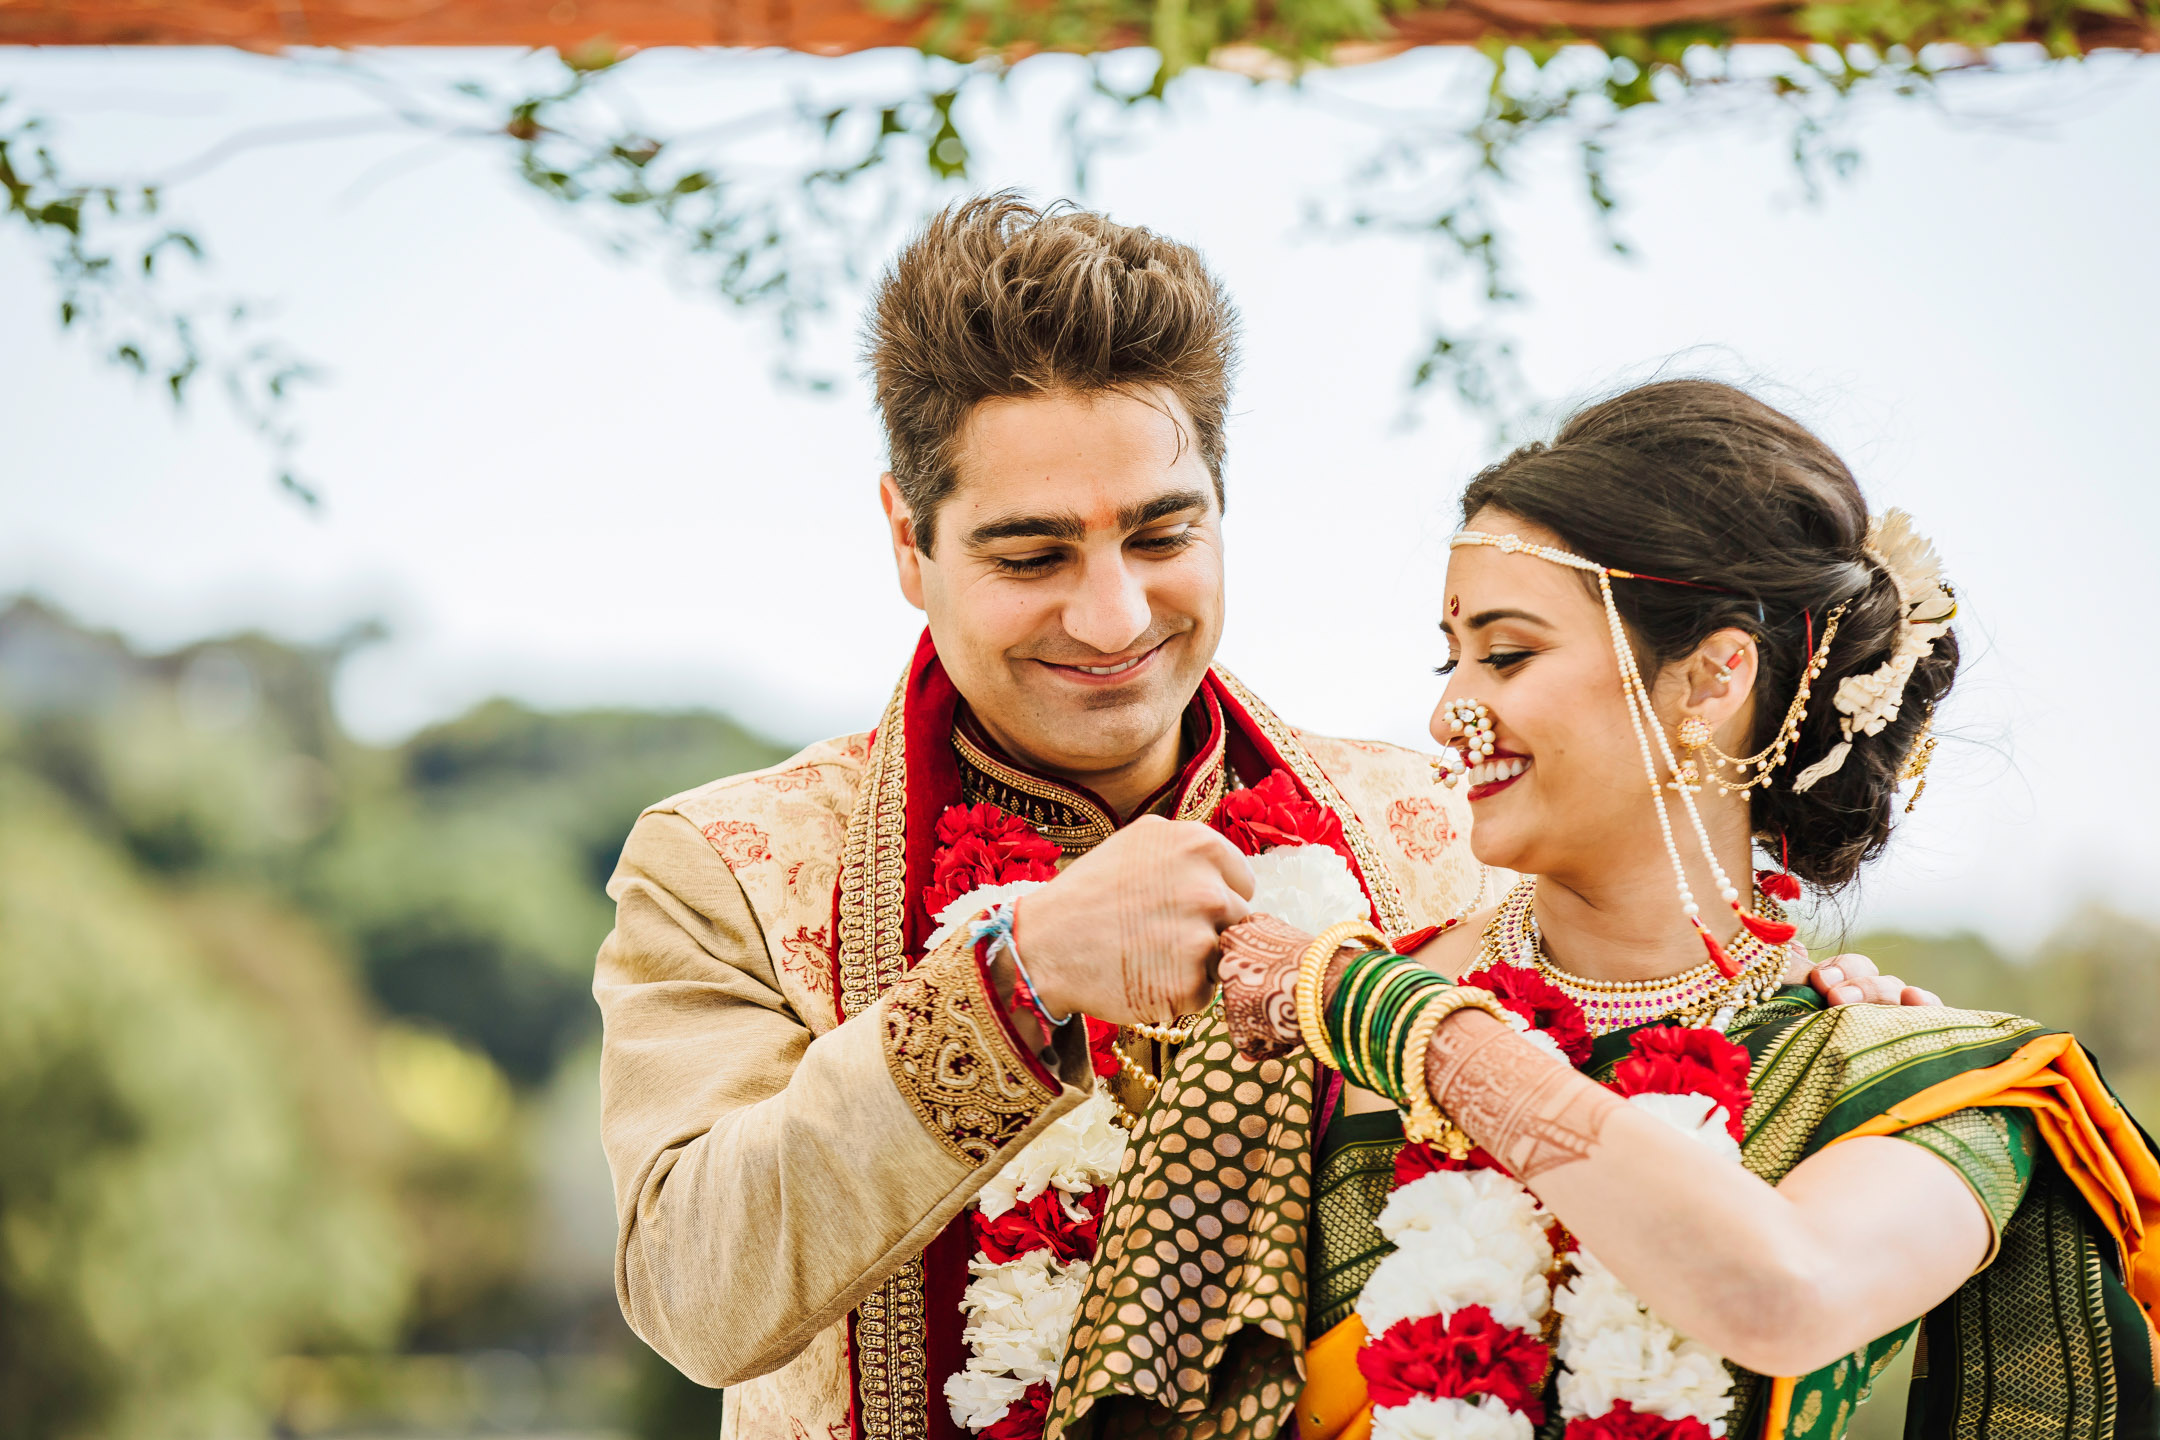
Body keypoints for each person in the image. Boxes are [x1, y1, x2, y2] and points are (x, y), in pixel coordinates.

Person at [592, 204, 1927, 1440]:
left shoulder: (1426, 834)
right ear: (906, 539)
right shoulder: (735, 868)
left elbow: (1638, 1082)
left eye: (1163, 534)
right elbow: (697, 1291)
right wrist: (1016, 980)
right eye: (1032, 555)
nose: (1113, 618)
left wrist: (1796, 1024)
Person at [1123, 380, 2160, 1440]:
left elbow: (1783, 1295)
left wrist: (1413, 1033)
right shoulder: (1299, 1027)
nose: (1447, 712)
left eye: (1508, 653)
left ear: (1711, 680)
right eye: (1452, 657)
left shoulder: (1908, 1079)